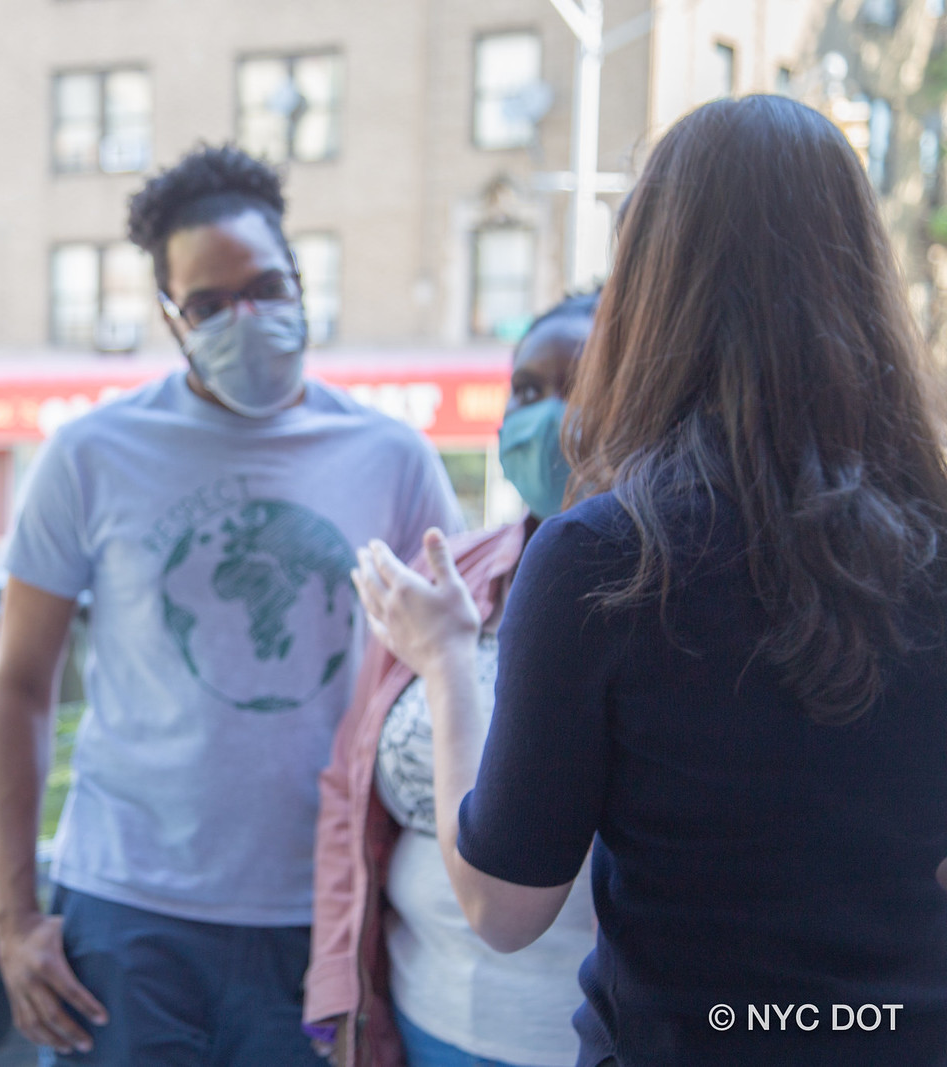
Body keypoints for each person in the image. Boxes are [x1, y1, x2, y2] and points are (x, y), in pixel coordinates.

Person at [353, 94, 947, 1066]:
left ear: (651, 285)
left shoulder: (602, 557)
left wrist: (447, 659)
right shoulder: (931, 538)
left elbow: (503, 905)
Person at [0, 144, 464, 1066]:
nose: (245, 318)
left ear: (300, 280)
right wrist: (13, 918)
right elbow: (19, 686)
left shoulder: (394, 460)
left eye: (265, 287)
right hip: (125, 920)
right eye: (207, 303)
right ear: (170, 316)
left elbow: (454, 681)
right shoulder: (90, 454)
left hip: (323, 914)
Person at [306, 293, 600, 1067]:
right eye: (527, 390)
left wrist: (446, 663)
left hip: (579, 1038)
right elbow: (348, 787)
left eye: (582, 384)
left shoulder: (678, 589)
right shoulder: (446, 573)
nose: (549, 415)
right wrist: (338, 992)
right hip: (419, 1020)